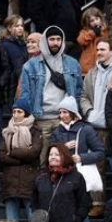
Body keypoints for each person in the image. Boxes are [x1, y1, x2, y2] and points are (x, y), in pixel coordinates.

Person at [19, 26, 83, 162]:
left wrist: (75, 114)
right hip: (41, 119)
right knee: (43, 160)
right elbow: (25, 94)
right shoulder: (30, 65)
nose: (55, 43)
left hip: (64, 120)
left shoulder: (73, 64)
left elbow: (78, 91)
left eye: (58, 39)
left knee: (66, 160)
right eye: (52, 39)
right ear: (45, 41)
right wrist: (29, 116)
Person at [0, 97, 43, 222]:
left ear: (26, 113)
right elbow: (1, 155)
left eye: (19, 112)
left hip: (29, 183)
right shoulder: (7, 130)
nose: (16, 115)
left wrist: (13, 152)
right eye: (14, 111)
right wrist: (22, 155)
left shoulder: (35, 130)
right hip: (10, 182)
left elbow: (34, 152)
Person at [32, 143, 90, 222]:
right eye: (51, 154)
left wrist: (75, 220)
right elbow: (34, 202)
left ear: (65, 156)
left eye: (57, 154)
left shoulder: (76, 177)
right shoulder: (41, 178)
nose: (53, 157)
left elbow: (84, 202)